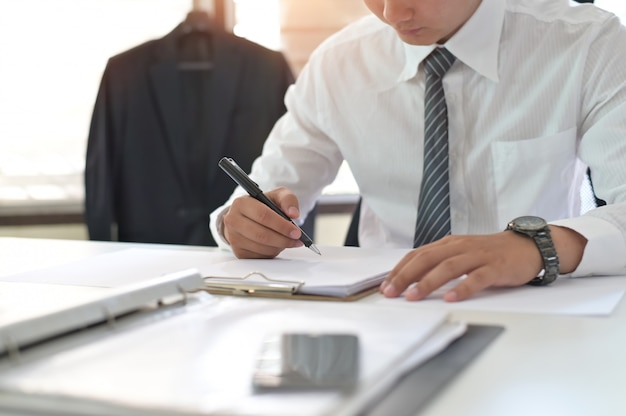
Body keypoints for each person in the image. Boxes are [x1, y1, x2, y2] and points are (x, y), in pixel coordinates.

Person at [210, 0, 626, 302]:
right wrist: (242, 226)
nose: (392, 13)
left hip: (540, 310)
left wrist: (536, 246)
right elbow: (260, 195)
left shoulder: (588, 44)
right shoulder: (337, 64)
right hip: (385, 308)